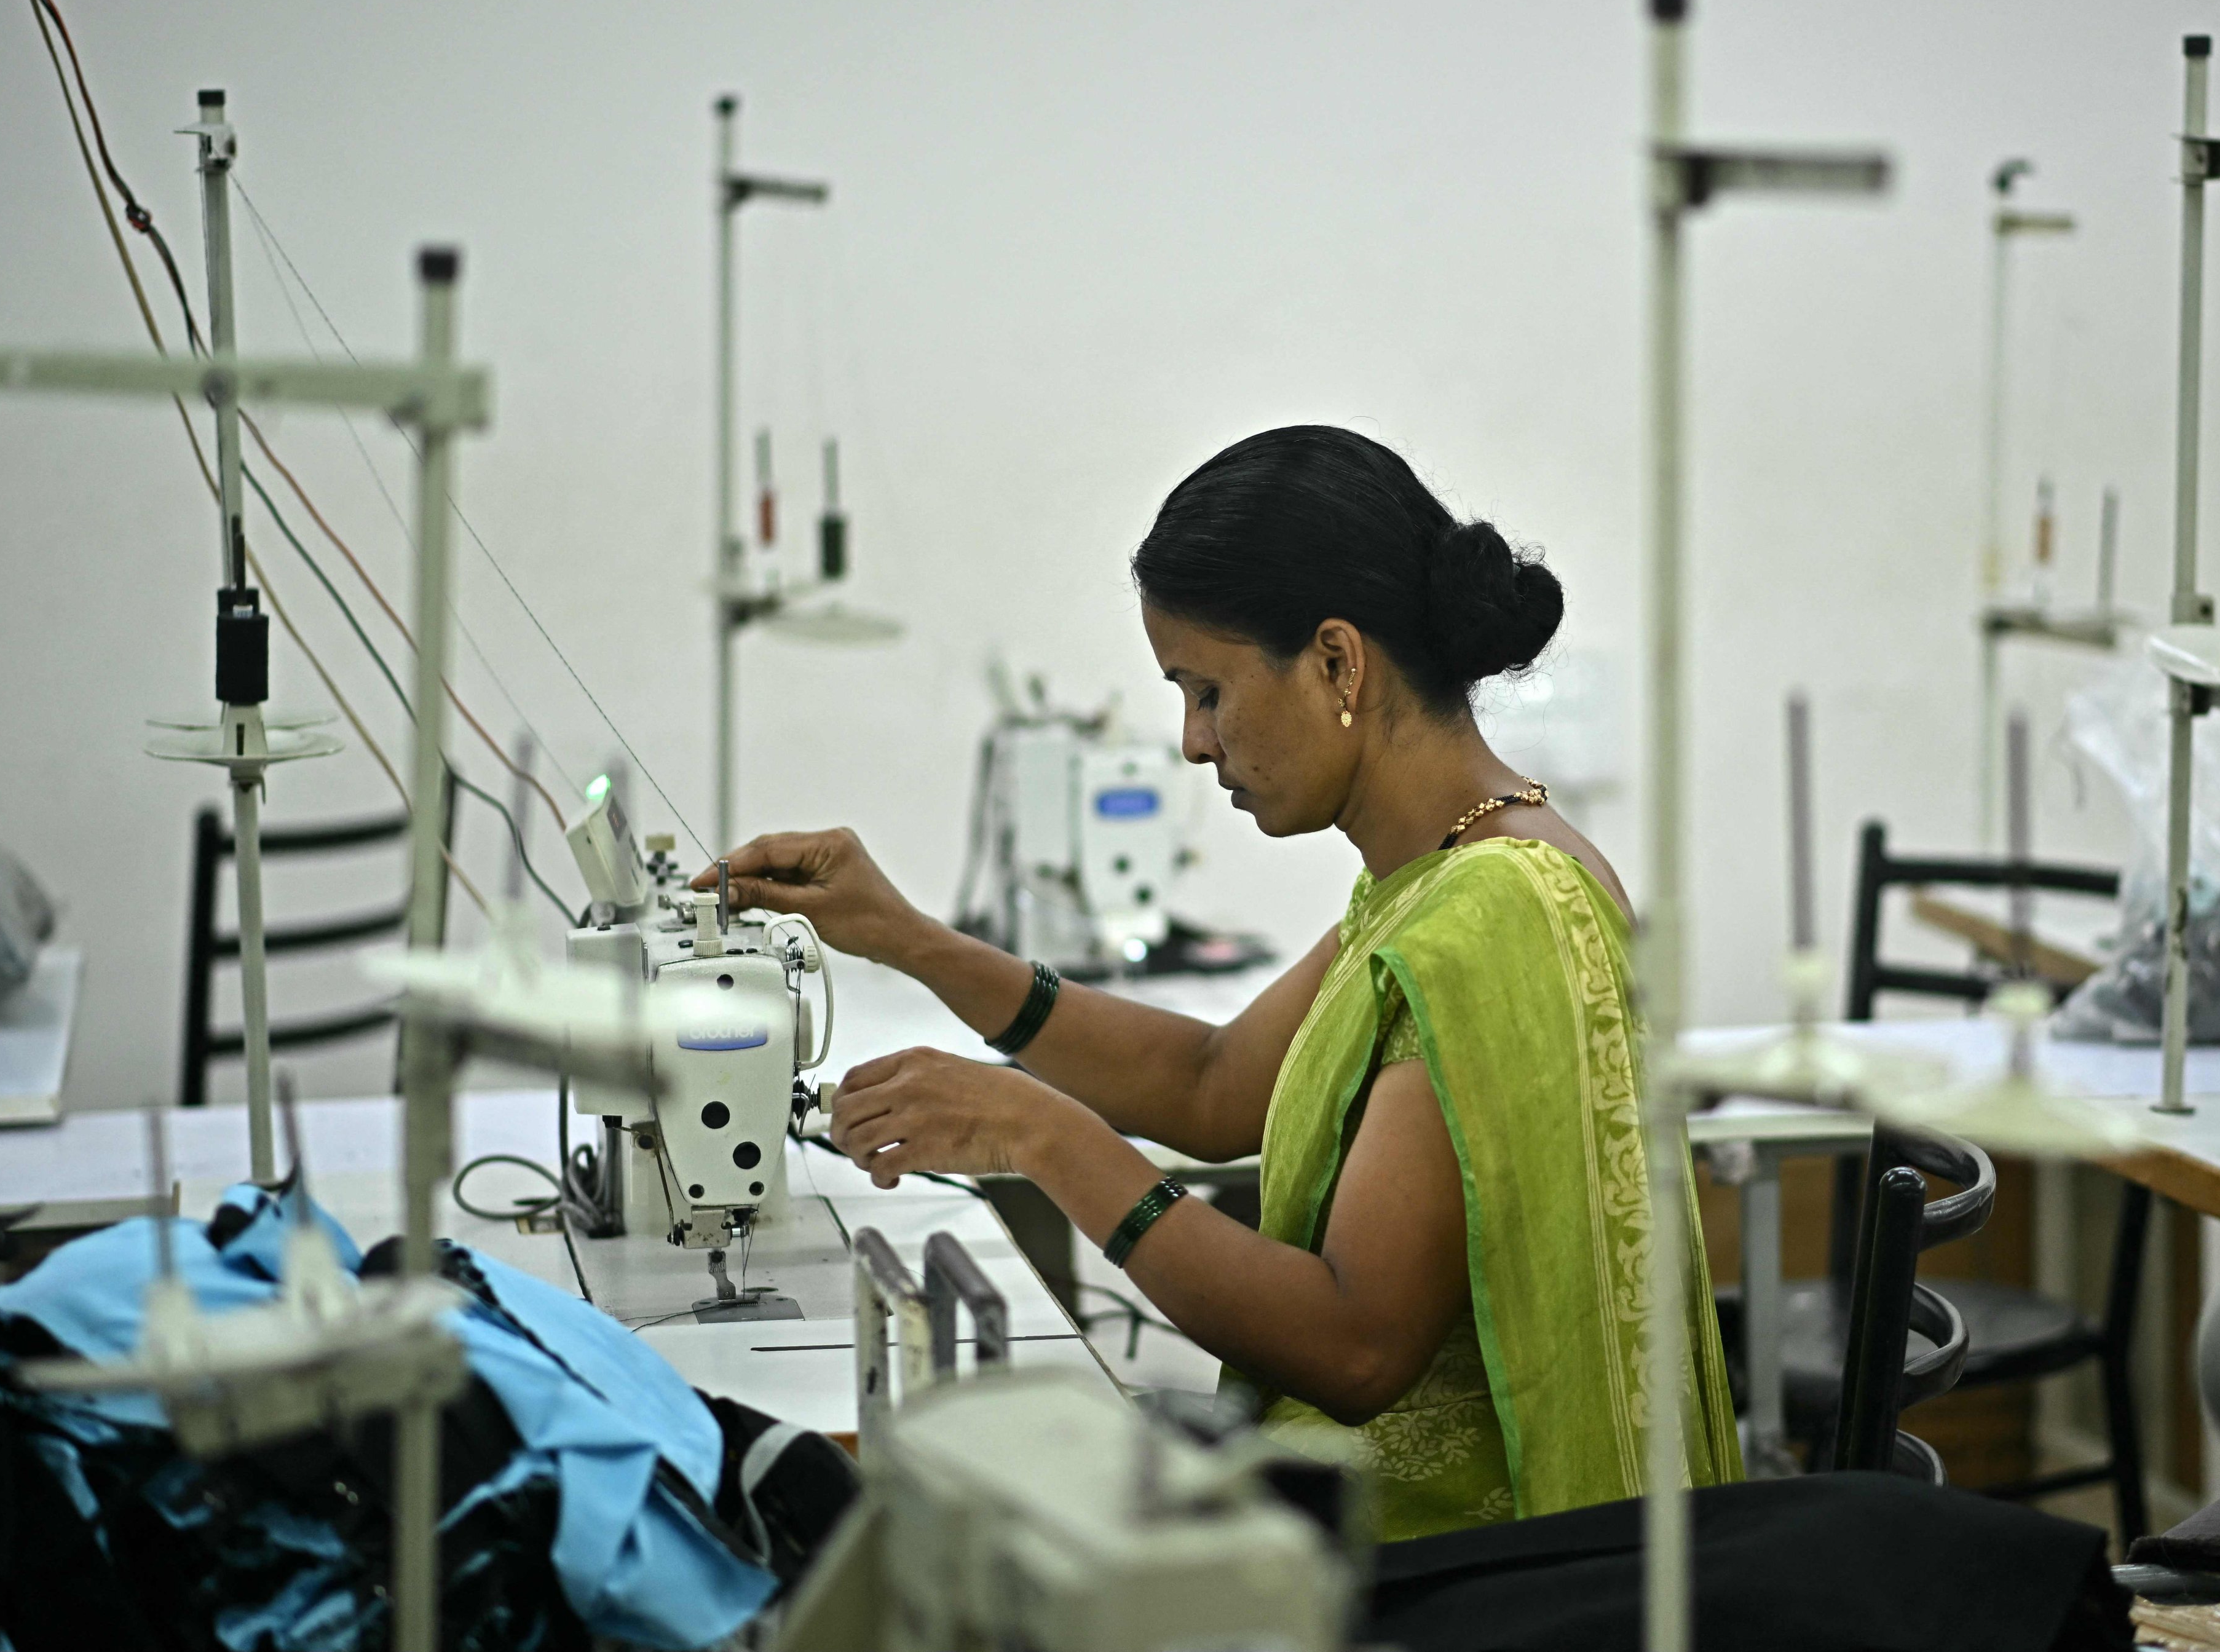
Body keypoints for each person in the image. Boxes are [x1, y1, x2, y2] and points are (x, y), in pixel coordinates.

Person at [706, 425, 1741, 1539]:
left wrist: (1041, 1137)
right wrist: (910, 937)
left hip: (1464, 1570)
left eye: (1207, 691)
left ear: (1338, 662)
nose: (1195, 743)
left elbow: (1356, 1347)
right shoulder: (1446, 875)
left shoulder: (1495, 911)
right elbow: (1211, 1086)